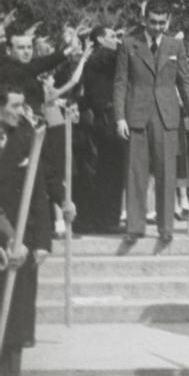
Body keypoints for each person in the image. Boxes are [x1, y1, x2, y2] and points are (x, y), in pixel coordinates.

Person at [113, 1, 189, 246]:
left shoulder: (176, 45)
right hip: (137, 114)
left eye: (162, 22)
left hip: (166, 115)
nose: (157, 27)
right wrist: (120, 117)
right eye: (153, 21)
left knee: (166, 172)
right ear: (144, 18)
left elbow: (184, 83)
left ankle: (165, 227)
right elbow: (120, 83)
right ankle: (135, 226)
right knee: (136, 172)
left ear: (168, 21)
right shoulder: (130, 43)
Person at [0, 84, 54, 376]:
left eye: (23, 105)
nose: (21, 111)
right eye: (15, 105)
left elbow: (39, 191)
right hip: (5, 239)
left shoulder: (28, 137)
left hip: (24, 241)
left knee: (16, 323)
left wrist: (43, 240)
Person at [76, 25, 124, 234]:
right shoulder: (100, 57)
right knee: (111, 171)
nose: (117, 40)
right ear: (101, 40)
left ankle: (106, 218)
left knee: (110, 171)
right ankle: (106, 220)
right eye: (113, 36)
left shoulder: (101, 58)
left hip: (107, 119)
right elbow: (120, 56)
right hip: (107, 119)